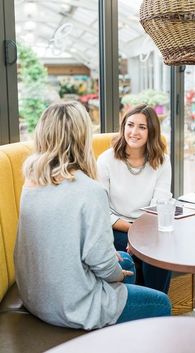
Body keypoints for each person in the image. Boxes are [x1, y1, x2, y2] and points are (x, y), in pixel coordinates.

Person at [14, 101, 171, 331]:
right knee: (161, 303)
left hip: (34, 296)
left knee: (126, 262)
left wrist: (114, 263)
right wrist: (115, 271)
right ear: (82, 138)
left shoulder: (31, 181)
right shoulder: (89, 189)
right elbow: (105, 267)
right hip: (72, 306)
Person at [97, 104, 172, 294]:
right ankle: (138, 311)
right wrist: (134, 234)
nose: (134, 132)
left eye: (142, 127)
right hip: (117, 227)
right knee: (139, 251)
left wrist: (141, 234)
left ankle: (155, 308)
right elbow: (100, 210)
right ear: (123, 127)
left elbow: (159, 205)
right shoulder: (106, 160)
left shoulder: (162, 161)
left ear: (151, 132)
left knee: (160, 253)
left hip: (148, 226)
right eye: (130, 125)